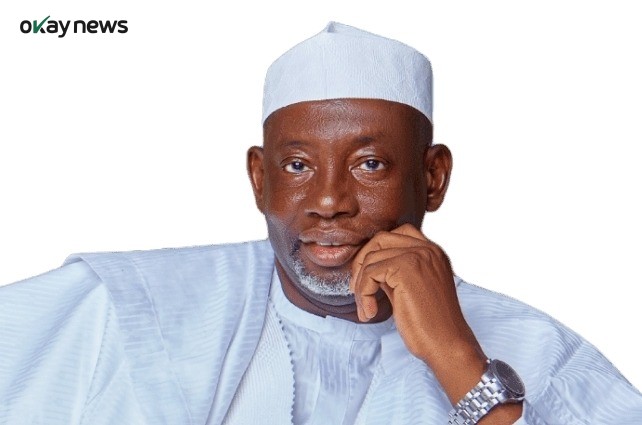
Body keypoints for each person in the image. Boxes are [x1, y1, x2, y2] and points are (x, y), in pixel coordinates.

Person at [0, 22, 640, 425]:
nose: (329, 200)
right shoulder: (131, 306)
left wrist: (457, 360)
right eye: (298, 165)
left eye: (369, 164)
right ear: (260, 179)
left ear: (433, 177)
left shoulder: (545, 353)